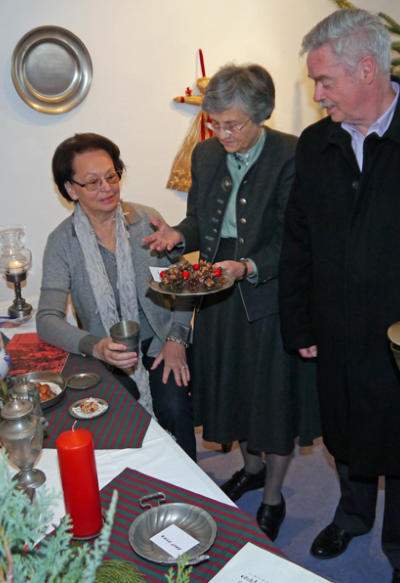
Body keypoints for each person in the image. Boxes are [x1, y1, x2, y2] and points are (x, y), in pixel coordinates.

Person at [143, 64, 320, 541]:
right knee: (233, 391)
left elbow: (295, 237)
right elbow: (201, 220)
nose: (222, 134)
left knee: (273, 403)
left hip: (271, 296)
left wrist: (248, 267)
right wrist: (180, 233)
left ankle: (273, 496)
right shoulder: (204, 154)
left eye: (233, 124)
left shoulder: (291, 153)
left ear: (260, 115)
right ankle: (252, 467)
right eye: (215, 123)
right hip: (216, 295)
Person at [279, 9, 400, 582]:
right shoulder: (316, 143)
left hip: (398, 336)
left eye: (325, 81)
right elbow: (297, 237)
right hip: (335, 325)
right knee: (346, 428)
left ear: (368, 69)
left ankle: (399, 544)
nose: (317, 93)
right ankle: (352, 516)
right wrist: (299, 322)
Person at [36, 133, 196, 460]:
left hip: (159, 345)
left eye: (111, 176)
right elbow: (47, 319)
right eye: (92, 182)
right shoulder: (62, 242)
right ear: (70, 189)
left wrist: (177, 338)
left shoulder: (144, 220)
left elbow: (185, 282)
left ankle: (189, 495)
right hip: (104, 353)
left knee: (175, 410)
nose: (107, 188)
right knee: (114, 422)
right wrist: (94, 346)